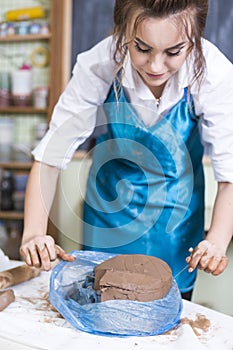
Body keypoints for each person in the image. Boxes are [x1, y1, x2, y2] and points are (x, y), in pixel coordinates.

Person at [20, 0, 233, 301]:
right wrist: (33, 233)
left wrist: (216, 241)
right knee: (100, 305)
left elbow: (230, 175)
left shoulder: (213, 72)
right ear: (123, 34)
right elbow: (50, 157)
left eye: (174, 52)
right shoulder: (99, 63)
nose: (156, 66)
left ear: (195, 40)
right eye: (142, 48)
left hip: (176, 221)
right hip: (109, 213)